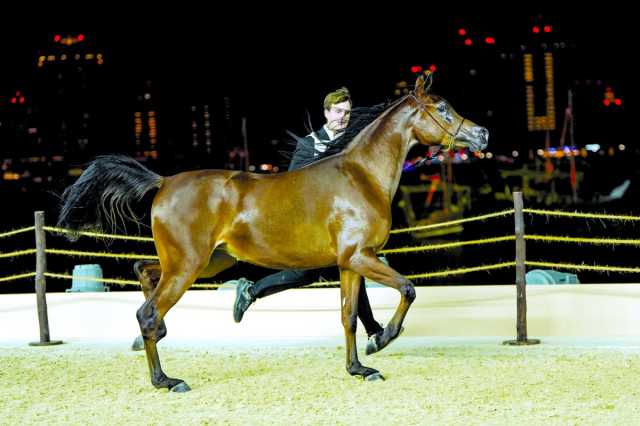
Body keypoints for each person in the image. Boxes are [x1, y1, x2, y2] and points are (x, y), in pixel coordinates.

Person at [232, 87, 385, 339]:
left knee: (348, 270)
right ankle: (251, 290)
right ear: (326, 112)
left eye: (346, 113)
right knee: (311, 273)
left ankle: (372, 330)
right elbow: (291, 187)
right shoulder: (309, 144)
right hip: (311, 227)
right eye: (337, 111)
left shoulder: (354, 145)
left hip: (339, 226)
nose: (342, 117)